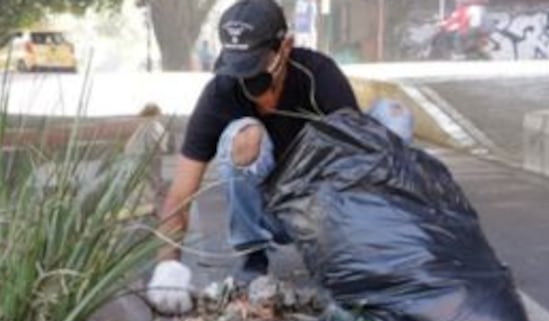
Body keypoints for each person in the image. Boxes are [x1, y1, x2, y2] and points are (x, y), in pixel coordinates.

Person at [156, 0, 412, 287]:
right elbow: (180, 194)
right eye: (239, 66)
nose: (247, 77)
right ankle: (253, 254)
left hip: (320, 208)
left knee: (393, 116)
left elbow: (354, 157)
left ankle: (383, 242)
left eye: (256, 64)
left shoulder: (318, 75)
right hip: (269, 214)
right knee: (244, 134)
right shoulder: (220, 93)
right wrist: (168, 268)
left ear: (286, 47)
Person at [122, 103, 169, 220]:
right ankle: (153, 210)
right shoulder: (153, 125)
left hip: (142, 159)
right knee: (152, 183)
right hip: (147, 159)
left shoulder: (147, 126)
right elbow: (161, 144)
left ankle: (149, 209)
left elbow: (129, 147)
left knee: (147, 183)